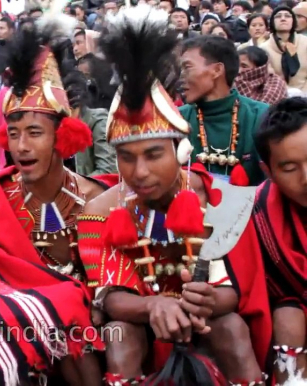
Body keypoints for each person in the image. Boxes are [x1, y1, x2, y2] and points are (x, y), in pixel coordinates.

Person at [78, 7, 271, 385]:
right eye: (126, 158)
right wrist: (155, 304)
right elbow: (108, 295)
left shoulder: (212, 198)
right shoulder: (102, 210)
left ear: (179, 152)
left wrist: (206, 301)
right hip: (140, 322)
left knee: (230, 327)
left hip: (206, 321)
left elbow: (235, 289)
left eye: (153, 155)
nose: (141, 172)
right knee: (119, 335)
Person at [0, 12, 111, 385]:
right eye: (13, 132)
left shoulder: (96, 199)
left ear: (63, 134)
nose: (20, 146)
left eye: (34, 132)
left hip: (94, 337)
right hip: (14, 334)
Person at [252, 97, 307, 384]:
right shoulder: (256, 215)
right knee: (287, 315)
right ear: (268, 171)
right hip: (292, 335)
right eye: (289, 168)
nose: (306, 178)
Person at [179, 35, 268, 186]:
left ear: (217, 70)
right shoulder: (178, 119)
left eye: (187, 67)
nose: (180, 76)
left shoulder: (261, 116)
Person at [260, 6, 307, 94]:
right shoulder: (264, 48)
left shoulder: (305, 43)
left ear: (293, 21)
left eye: (287, 16)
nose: (283, 19)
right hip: (278, 94)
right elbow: (267, 78)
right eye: (278, 16)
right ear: (272, 22)